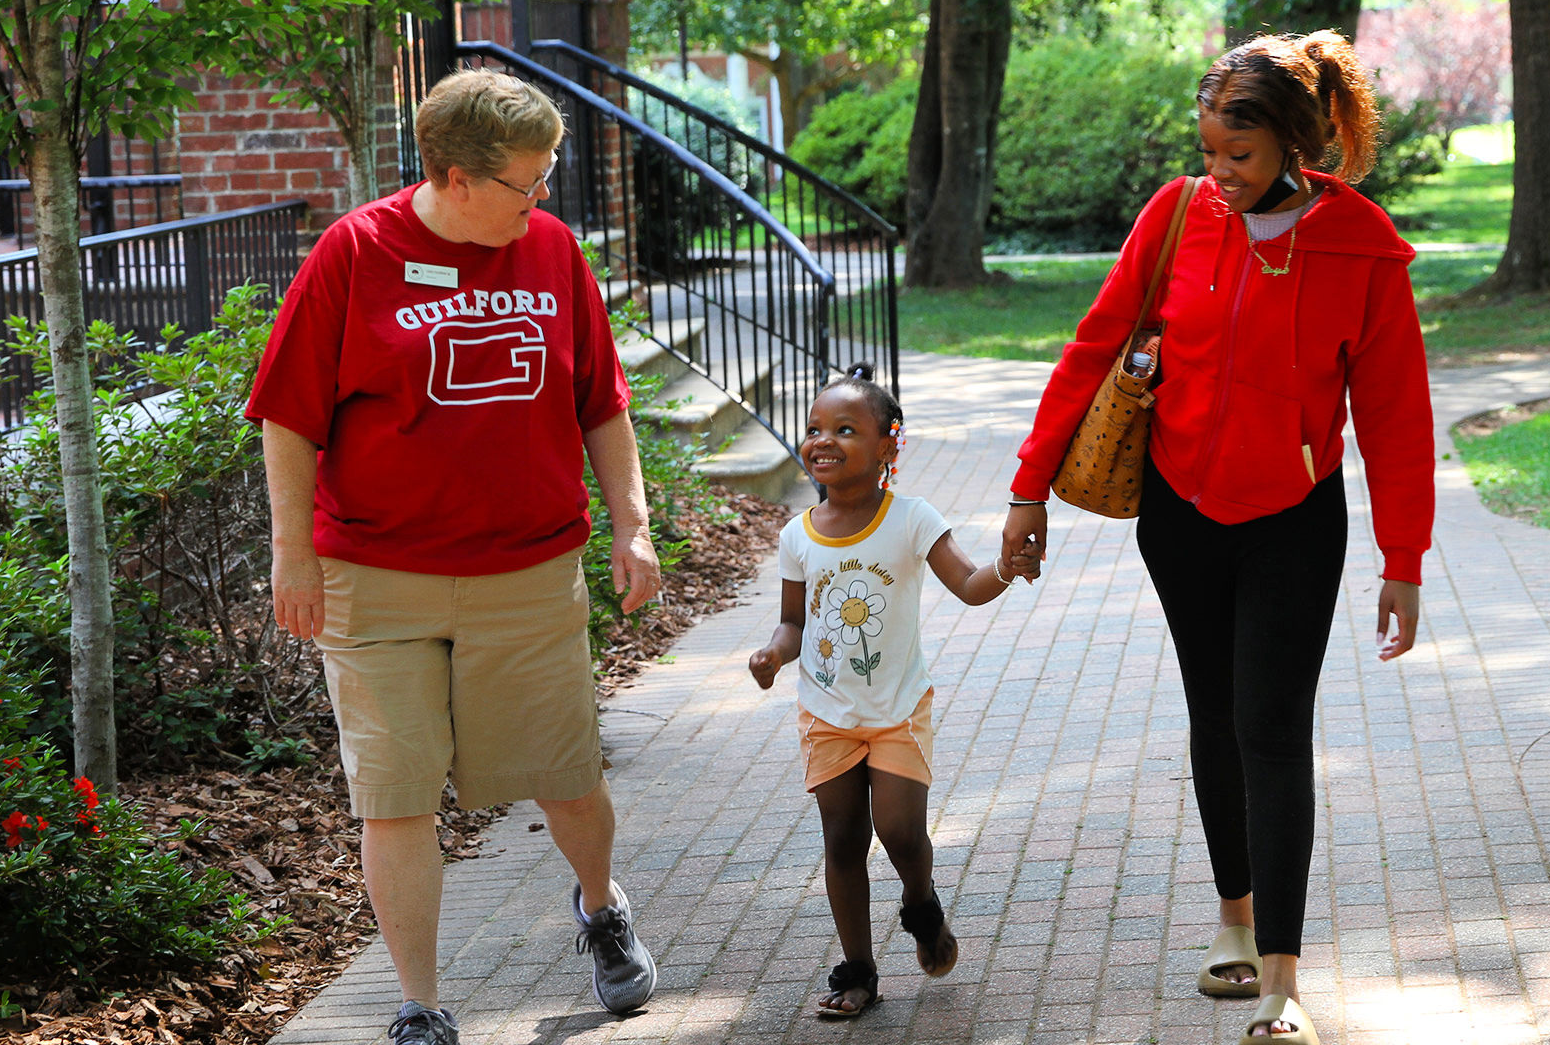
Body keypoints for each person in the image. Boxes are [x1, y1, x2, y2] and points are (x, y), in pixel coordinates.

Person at [1000, 32, 1434, 1043]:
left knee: (1272, 730)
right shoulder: (1176, 217)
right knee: (1214, 716)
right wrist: (1028, 491)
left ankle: (1283, 982)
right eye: (1208, 153)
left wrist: (1402, 562)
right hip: (1180, 512)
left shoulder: (1361, 246)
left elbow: (1398, 417)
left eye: (1237, 157)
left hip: (1295, 519)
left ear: (1293, 142)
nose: (1219, 175)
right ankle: (1233, 924)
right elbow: (1094, 344)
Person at [247, 69, 663, 1045]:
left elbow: (600, 401)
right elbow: (289, 419)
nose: (544, 197)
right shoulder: (356, 254)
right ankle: (420, 1007)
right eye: (528, 180)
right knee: (393, 799)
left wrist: (633, 523)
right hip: (376, 579)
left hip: (527, 571)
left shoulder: (553, 253)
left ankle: (601, 909)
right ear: (455, 177)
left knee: (566, 778)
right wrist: (292, 554)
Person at [748, 364, 1037, 1018]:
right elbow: (795, 622)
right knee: (844, 837)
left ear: (887, 447)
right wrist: (772, 652)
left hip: (898, 710)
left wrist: (1006, 568)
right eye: (815, 428)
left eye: (845, 429)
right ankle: (859, 971)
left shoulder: (910, 518)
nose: (823, 440)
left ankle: (921, 902)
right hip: (826, 712)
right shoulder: (798, 534)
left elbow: (966, 583)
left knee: (900, 831)